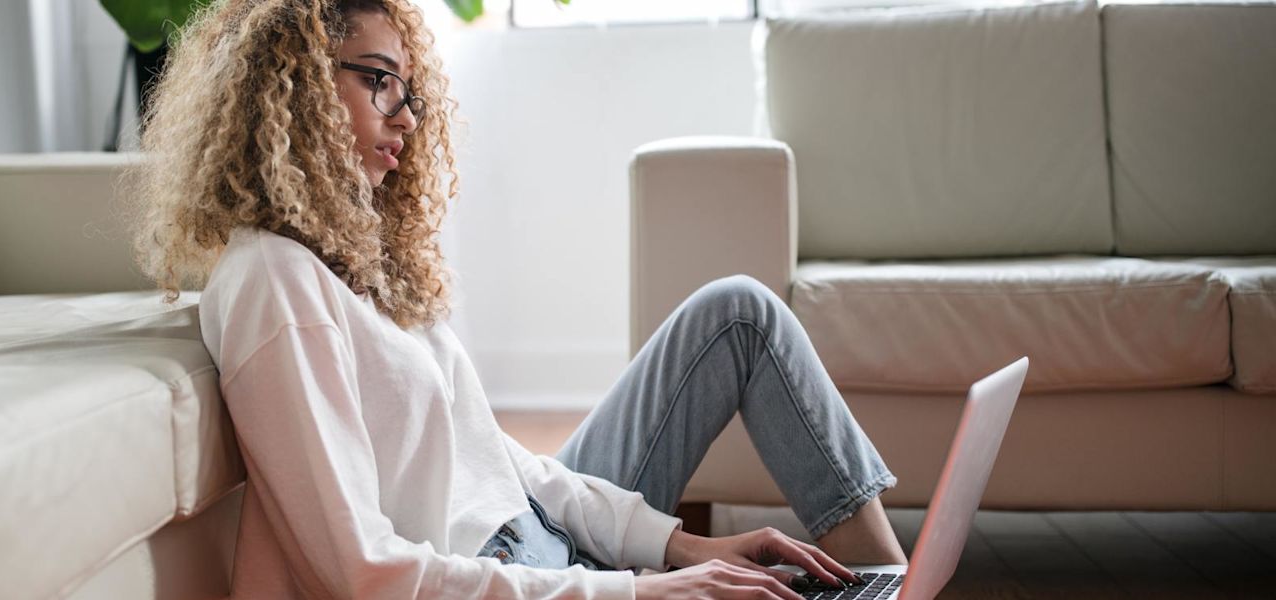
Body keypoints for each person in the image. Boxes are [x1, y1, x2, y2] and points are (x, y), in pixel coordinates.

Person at [126, 0, 908, 597]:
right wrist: (636, 591)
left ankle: (884, 580)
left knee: (738, 312)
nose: (403, 114)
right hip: (502, 578)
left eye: (409, 90)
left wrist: (678, 548)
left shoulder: (364, 265)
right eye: (376, 79)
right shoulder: (273, 281)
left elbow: (499, 464)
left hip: (542, 546)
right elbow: (362, 571)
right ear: (291, 87)